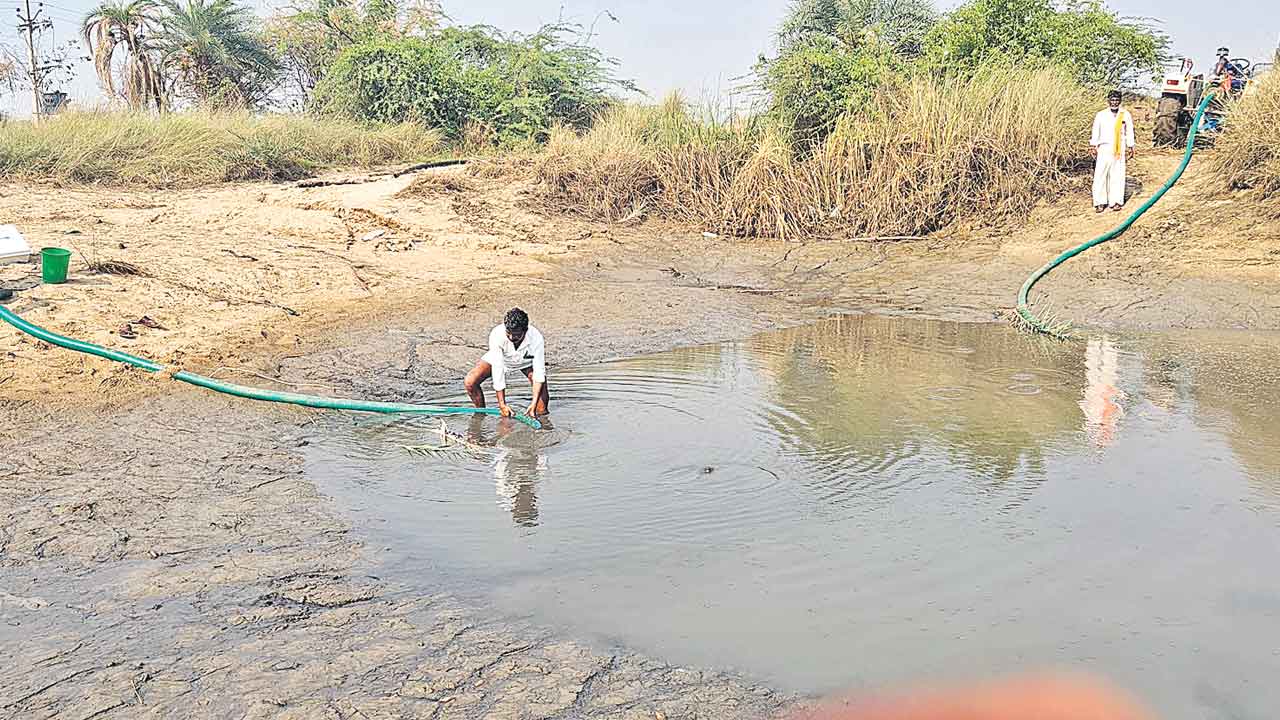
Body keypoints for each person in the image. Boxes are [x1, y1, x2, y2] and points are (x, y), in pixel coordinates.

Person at [464, 307, 549, 418]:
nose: (511, 337)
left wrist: (533, 404)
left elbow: (539, 372)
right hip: (502, 359)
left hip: (526, 360)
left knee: (541, 406)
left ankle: (541, 422)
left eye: (517, 335)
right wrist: (502, 404)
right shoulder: (496, 334)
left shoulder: (536, 337)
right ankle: (481, 414)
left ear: (525, 330)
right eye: (508, 333)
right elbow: (498, 369)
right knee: (470, 382)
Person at [1090, 90, 1136, 213]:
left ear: (1120, 101)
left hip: (1119, 148)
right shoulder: (1101, 115)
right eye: (1112, 100)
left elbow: (1129, 131)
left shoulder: (1125, 114)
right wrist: (1093, 146)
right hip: (1104, 148)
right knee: (1100, 175)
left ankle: (1115, 202)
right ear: (1108, 101)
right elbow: (1096, 131)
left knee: (1118, 175)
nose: (1114, 102)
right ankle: (1100, 202)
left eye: (1116, 100)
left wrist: (1131, 146)